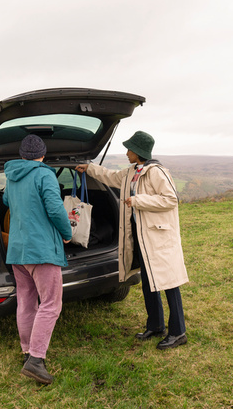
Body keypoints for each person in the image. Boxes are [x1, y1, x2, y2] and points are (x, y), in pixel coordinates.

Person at [76, 131, 189, 349]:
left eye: (129, 149)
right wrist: (89, 168)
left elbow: (171, 200)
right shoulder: (131, 172)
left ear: (138, 152)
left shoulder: (157, 172)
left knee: (169, 284)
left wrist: (138, 200)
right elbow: (110, 177)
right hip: (141, 237)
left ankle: (178, 332)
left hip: (159, 237)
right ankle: (155, 325)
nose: (126, 152)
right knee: (149, 281)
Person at [3, 134, 72, 384]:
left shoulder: (12, 176)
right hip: (41, 250)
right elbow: (54, 208)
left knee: (26, 301)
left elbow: (6, 201)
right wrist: (67, 233)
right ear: (43, 155)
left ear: (22, 155)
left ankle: (27, 351)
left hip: (18, 250)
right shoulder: (44, 175)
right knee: (51, 303)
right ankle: (36, 360)